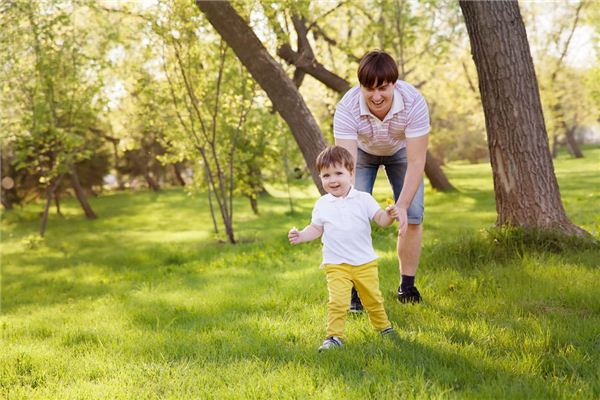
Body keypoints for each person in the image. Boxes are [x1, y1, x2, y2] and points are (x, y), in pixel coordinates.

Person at [334, 50, 430, 308]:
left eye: (383, 88)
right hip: (361, 154)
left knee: (414, 214)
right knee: (350, 215)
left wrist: (403, 204)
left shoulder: (414, 102)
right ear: (360, 86)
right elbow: (346, 165)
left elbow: (417, 161)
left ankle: (407, 287)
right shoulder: (347, 107)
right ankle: (356, 291)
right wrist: (355, 207)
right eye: (369, 89)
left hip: (400, 152)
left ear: (394, 85)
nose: (376, 96)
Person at [288, 145, 399, 351]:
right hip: (336, 264)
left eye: (338, 173)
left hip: (364, 262)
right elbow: (316, 228)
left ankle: (384, 328)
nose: (333, 180)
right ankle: (334, 337)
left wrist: (390, 215)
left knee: (373, 299)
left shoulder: (363, 199)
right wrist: (302, 236)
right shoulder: (322, 204)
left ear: (351, 173)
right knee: (338, 302)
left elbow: (381, 220)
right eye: (326, 175)